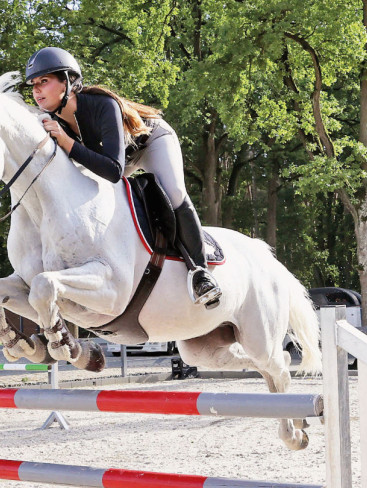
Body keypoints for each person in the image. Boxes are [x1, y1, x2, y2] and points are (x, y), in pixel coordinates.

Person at [24, 46, 222, 308]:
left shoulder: (102, 105)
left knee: (174, 192)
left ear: (68, 81)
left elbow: (114, 171)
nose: (36, 90)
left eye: (44, 81)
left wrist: (66, 142)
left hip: (150, 141)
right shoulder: (48, 121)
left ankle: (200, 272)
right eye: (34, 84)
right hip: (114, 160)